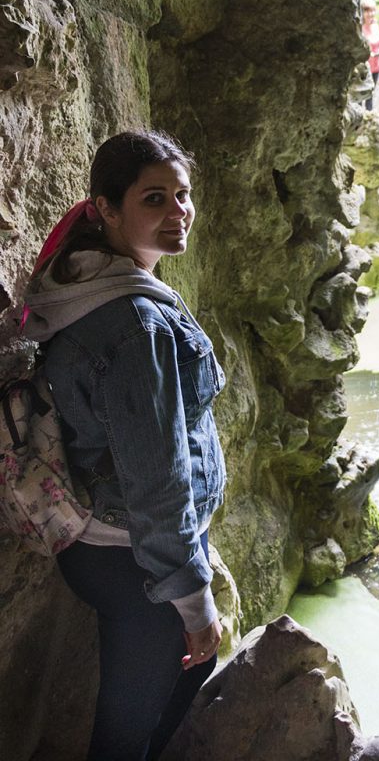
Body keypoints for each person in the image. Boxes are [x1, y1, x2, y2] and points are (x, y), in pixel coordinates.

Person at [22, 130, 227, 761]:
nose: (176, 213)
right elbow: (157, 481)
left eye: (182, 196)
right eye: (154, 199)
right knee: (127, 733)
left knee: (158, 698)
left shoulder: (84, 281)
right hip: (134, 556)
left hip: (101, 542)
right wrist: (192, 599)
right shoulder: (134, 324)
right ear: (107, 208)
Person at [361, 0, 379, 110]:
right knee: (360, 94)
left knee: (370, 94)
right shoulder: (359, 28)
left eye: (372, 11)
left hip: (376, 66)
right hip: (364, 67)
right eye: (367, 11)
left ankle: (369, 119)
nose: (370, 14)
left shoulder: (376, 26)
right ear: (362, 12)